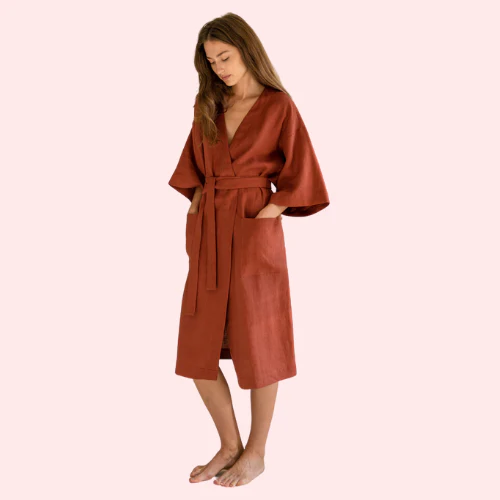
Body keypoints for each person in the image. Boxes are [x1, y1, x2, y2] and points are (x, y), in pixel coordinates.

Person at [168, 13, 330, 487]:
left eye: (226, 57)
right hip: (209, 231)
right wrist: (198, 205)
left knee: (260, 341)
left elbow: (302, 171)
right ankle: (229, 445)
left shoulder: (279, 105)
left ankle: (256, 452)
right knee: (196, 349)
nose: (219, 68)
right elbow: (192, 169)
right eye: (211, 61)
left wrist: (268, 213)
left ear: (247, 50)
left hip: (254, 226)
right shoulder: (208, 105)